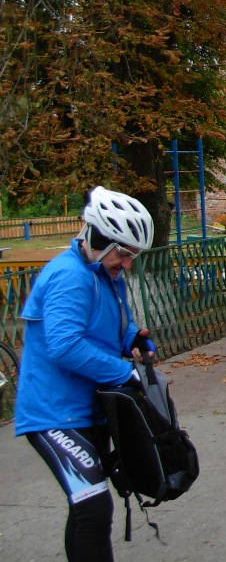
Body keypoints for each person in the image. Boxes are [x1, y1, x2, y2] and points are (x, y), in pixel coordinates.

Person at [15, 186, 157, 562]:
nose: (128, 264)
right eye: (123, 253)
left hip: (87, 409)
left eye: (133, 256)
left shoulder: (105, 275)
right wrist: (125, 372)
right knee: (93, 508)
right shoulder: (68, 276)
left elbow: (114, 326)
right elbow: (64, 346)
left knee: (85, 507)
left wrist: (135, 340)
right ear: (97, 239)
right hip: (55, 413)